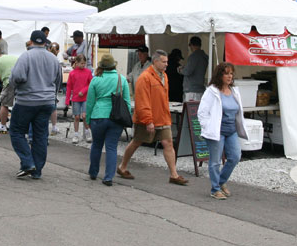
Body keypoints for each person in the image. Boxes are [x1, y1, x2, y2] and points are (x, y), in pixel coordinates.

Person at [117, 49, 188, 185]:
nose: (167, 64)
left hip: (162, 117)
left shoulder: (164, 76)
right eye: (164, 62)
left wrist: (165, 114)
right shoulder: (145, 77)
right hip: (147, 119)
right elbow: (142, 101)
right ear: (155, 62)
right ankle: (122, 166)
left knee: (168, 143)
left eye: (167, 62)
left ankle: (174, 174)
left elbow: (163, 98)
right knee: (136, 141)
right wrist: (148, 120)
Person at [9, 30, 62, 179]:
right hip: (46, 102)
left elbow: (17, 76)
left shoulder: (25, 56)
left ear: (31, 42)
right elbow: (58, 81)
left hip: (26, 101)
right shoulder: (53, 59)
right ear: (45, 43)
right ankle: (37, 170)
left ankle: (27, 162)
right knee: (40, 135)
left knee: (16, 132)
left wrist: (16, 84)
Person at [197, 62, 249, 199]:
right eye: (226, 73)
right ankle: (215, 189)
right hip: (216, 131)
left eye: (231, 73)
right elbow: (202, 112)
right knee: (215, 161)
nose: (229, 76)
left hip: (231, 130)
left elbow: (238, 111)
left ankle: (221, 182)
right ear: (219, 75)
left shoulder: (234, 91)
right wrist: (207, 127)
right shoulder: (211, 91)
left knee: (235, 157)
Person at [85, 54, 131, 186]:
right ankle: (108, 177)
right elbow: (127, 102)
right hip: (115, 117)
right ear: (114, 65)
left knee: (96, 145)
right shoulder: (121, 79)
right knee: (111, 147)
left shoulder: (95, 80)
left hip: (98, 115)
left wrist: (87, 119)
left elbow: (90, 102)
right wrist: (126, 119)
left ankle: (93, 172)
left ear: (101, 66)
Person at [66, 54, 92, 143]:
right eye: (81, 63)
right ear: (76, 63)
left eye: (84, 63)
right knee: (76, 117)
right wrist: (67, 100)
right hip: (76, 98)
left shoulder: (88, 72)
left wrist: (84, 91)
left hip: (85, 97)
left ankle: (87, 132)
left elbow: (91, 84)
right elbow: (69, 87)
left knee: (84, 116)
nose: (83, 65)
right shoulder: (72, 73)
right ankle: (76, 134)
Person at [181, 36, 209, 102]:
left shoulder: (193, 56)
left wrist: (180, 70)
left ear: (192, 45)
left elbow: (187, 71)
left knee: (190, 110)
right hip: (200, 88)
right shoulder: (204, 56)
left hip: (191, 89)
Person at [0, 53, 19, 134]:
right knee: (19, 104)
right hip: (21, 81)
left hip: (9, 81)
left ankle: (3, 126)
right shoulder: (13, 57)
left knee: (4, 104)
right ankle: (16, 125)